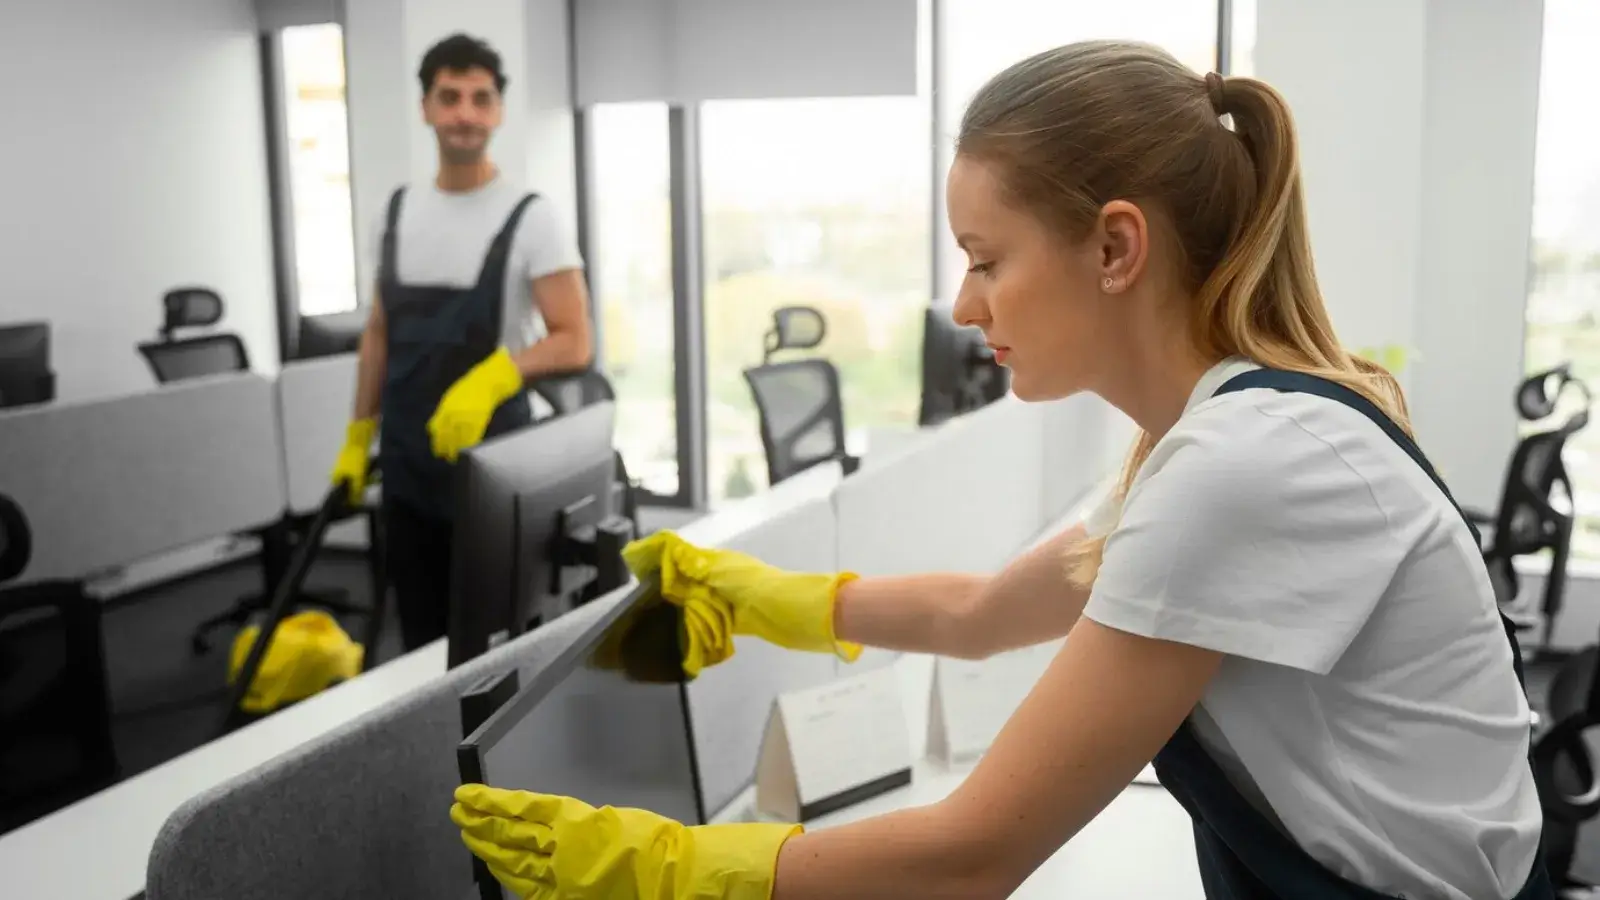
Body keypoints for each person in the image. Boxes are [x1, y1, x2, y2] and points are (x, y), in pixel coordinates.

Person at [448, 40, 1553, 900]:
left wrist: (674, 868)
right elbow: (984, 613)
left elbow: (970, 858)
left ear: (1116, 249)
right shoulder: (1222, 436)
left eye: (986, 260)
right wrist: (769, 598)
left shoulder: (1239, 470)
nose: (966, 305)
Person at [330, 33, 592, 652]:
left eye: (481, 98)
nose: (465, 114)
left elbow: (575, 340)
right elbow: (380, 334)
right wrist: (357, 435)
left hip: (495, 463)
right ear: (425, 108)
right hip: (405, 461)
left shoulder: (531, 216)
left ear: (499, 110)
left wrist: (494, 376)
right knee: (418, 635)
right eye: (450, 97)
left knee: (496, 640)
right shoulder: (395, 211)